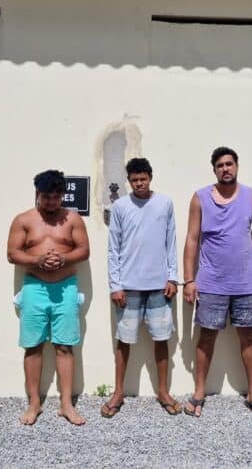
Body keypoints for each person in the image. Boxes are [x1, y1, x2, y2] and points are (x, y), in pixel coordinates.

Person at [182, 147, 252, 418]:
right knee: (206, 337)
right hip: (211, 283)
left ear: (237, 166)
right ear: (214, 170)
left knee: (249, 337)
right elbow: (192, 240)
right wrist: (189, 279)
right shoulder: (200, 198)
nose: (225, 169)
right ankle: (199, 392)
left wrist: (246, 254)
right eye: (220, 165)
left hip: (245, 283)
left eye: (229, 164)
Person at [7, 169, 90, 426]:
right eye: (46, 197)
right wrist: (38, 260)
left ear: (62, 195)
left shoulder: (73, 219)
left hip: (66, 287)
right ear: (37, 194)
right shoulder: (23, 220)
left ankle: (66, 404)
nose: (51, 202)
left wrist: (64, 258)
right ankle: (34, 403)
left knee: (65, 346)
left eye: (56, 197)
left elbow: (84, 250)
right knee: (33, 346)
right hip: (35, 287)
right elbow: (12, 253)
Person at [102, 158, 181, 418]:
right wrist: (115, 285)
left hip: (159, 285)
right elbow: (113, 248)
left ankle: (163, 391)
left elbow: (171, 242)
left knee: (161, 338)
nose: (139, 184)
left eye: (143, 179)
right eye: (134, 180)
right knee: (124, 340)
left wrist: (172, 278)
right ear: (129, 181)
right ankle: (118, 392)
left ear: (150, 177)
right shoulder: (120, 206)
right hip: (128, 286)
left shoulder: (165, 203)